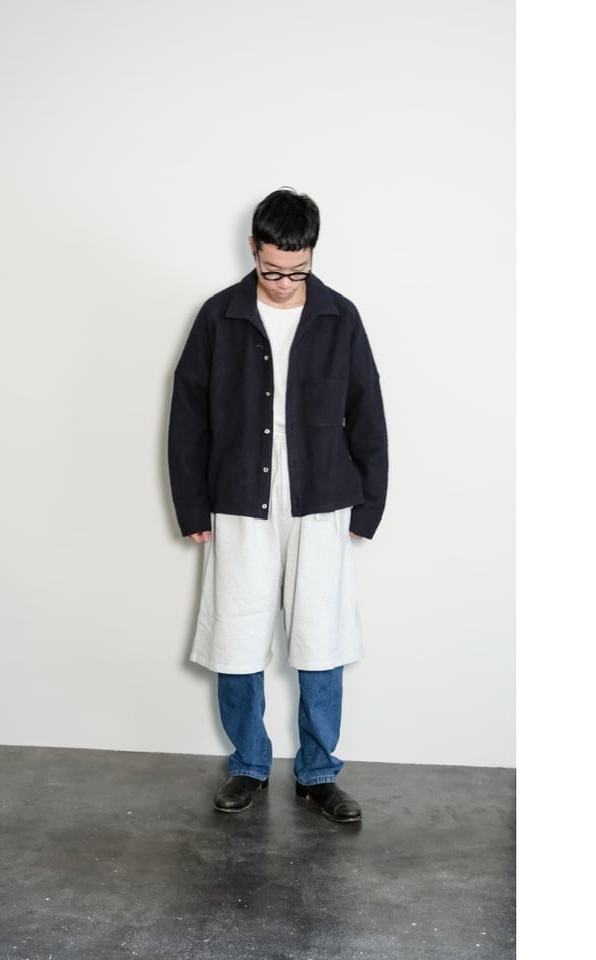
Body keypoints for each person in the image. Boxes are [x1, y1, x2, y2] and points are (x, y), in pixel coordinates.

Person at [168, 187, 387, 822]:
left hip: (321, 496)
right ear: (253, 250)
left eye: (299, 271)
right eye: (273, 271)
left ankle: (319, 772)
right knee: (237, 634)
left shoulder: (340, 317)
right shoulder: (220, 316)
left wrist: (368, 505)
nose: (286, 283)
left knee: (321, 636)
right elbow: (188, 414)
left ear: (312, 255)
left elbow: (367, 409)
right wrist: (192, 506)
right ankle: (248, 764)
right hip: (240, 492)